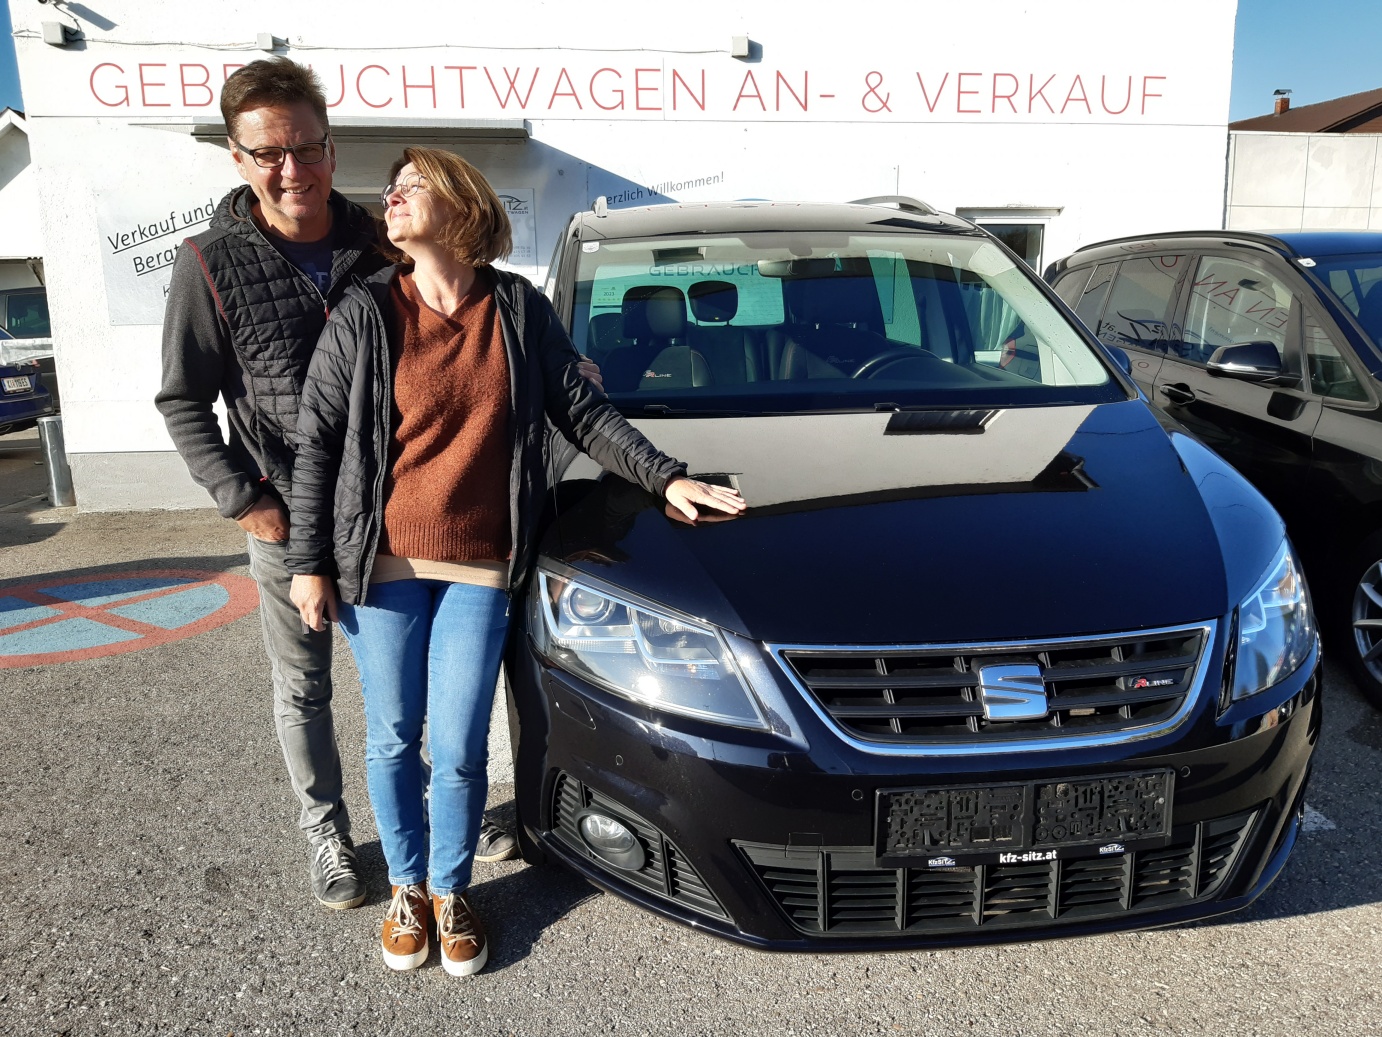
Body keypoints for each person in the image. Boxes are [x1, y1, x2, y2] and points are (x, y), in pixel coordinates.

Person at [284, 146, 745, 975]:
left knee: (461, 742)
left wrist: (666, 476)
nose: (390, 198)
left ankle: (451, 888)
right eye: (390, 189)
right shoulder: (365, 312)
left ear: (459, 205)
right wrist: (307, 561)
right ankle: (407, 886)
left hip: (482, 566)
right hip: (381, 564)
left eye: (410, 186)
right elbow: (316, 442)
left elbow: (584, 413)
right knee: (395, 736)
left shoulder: (518, 310)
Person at [154, 59, 521, 913]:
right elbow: (182, 399)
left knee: (412, 690)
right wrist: (246, 499)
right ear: (238, 157)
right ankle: (326, 827)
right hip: (286, 516)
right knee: (305, 683)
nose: (294, 169)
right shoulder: (209, 263)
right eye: (269, 153)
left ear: (329, 145)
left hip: (388, 517)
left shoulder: (376, 240)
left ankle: (439, 812)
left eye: (308, 147)